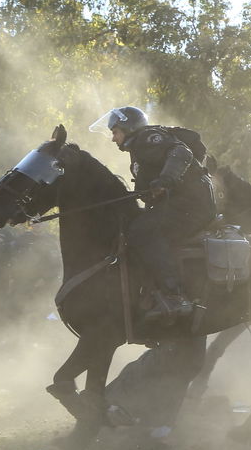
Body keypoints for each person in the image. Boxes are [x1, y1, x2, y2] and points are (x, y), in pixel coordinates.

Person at [91, 106, 215, 323]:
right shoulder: (139, 148)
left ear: (128, 128)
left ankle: (175, 296)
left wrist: (166, 180)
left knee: (141, 231)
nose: (113, 138)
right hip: (181, 205)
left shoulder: (147, 138)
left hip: (192, 206)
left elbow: (181, 152)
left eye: (115, 132)